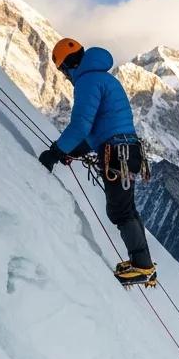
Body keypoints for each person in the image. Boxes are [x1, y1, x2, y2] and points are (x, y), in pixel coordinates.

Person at [38, 37, 156, 287]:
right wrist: (73, 151)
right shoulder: (103, 78)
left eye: (62, 71)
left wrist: (56, 152)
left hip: (116, 152)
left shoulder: (88, 81)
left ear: (67, 66)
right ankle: (142, 262)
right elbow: (98, 130)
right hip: (125, 149)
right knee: (126, 208)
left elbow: (82, 125)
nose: (65, 76)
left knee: (120, 210)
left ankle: (142, 266)